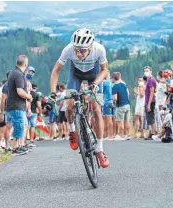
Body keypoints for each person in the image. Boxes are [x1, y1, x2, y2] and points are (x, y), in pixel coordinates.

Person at [50, 28, 109, 168]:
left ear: (90, 47)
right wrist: (53, 92)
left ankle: (100, 149)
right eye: (76, 50)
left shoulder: (99, 50)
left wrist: (95, 84)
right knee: (69, 106)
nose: (78, 53)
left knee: (96, 110)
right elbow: (56, 71)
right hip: (75, 75)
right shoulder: (68, 49)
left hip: (93, 76)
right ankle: (72, 130)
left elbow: (104, 70)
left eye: (82, 50)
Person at [6, 55, 32, 155]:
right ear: (25, 63)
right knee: (19, 126)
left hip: (12, 104)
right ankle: (15, 148)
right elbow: (20, 91)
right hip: (16, 105)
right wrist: (29, 96)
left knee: (18, 126)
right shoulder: (19, 74)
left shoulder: (13, 72)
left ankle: (18, 146)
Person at [112, 72, 131, 139]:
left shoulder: (114, 86)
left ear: (113, 78)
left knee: (120, 121)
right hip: (127, 104)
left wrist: (114, 103)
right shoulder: (123, 84)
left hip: (120, 105)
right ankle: (127, 135)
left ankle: (120, 135)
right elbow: (128, 94)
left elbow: (115, 98)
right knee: (127, 120)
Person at [144, 66, 157, 139]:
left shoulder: (151, 79)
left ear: (151, 71)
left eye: (147, 70)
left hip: (150, 101)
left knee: (151, 118)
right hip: (148, 100)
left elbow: (152, 91)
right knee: (149, 118)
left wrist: (149, 104)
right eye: (145, 70)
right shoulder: (149, 79)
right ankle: (151, 132)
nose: (146, 72)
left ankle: (153, 133)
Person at [102, 74, 114, 140]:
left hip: (106, 101)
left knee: (107, 119)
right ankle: (110, 135)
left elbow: (101, 93)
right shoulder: (112, 83)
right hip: (112, 101)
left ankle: (107, 135)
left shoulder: (104, 83)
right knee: (111, 119)